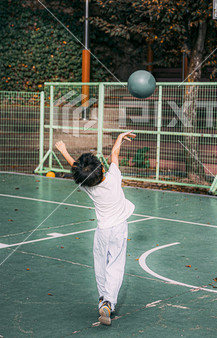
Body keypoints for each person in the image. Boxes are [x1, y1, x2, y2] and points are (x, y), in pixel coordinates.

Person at [55, 131, 136, 326]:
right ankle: (109, 302)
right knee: (115, 265)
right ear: (101, 168)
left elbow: (77, 170)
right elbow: (115, 154)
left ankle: (103, 299)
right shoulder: (114, 177)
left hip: (102, 231)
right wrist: (119, 138)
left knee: (100, 265)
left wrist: (64, 150)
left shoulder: (87, 187)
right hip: (119, 228)